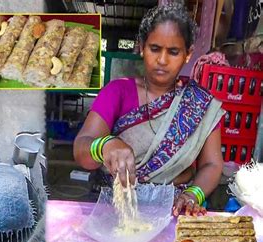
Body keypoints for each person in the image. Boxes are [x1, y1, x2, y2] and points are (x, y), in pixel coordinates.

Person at [74, 3, 225, 217]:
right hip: (116, 207)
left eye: (173, 52)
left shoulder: (200, 104)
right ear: (142, 47)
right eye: (155, 49)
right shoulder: (118, 92)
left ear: (188, 54)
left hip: (174, 210)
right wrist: (105, 145)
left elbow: (211, 164)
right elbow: (81, 150)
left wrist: (193, 195)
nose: (162, 60)